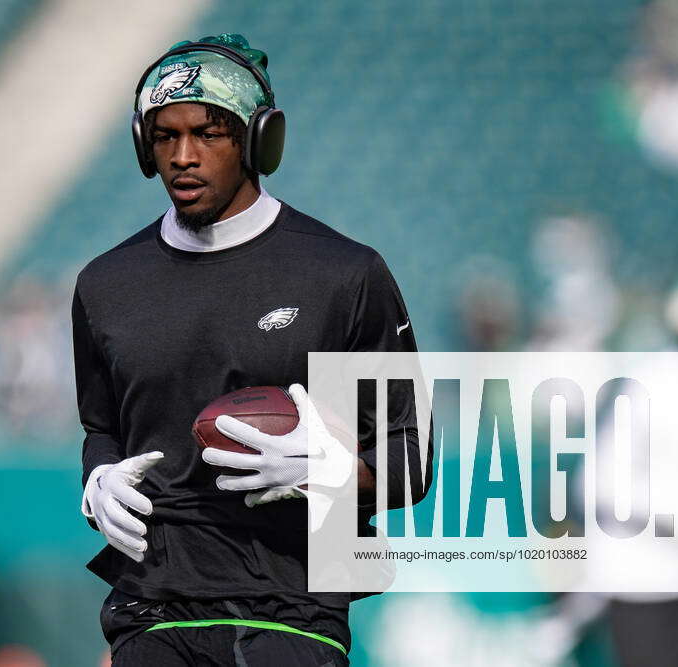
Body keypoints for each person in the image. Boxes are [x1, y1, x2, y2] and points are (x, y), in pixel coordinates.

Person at [72, 34, 428, 665]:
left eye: (210, 133)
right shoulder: (104, 285)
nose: (184, 156)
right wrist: (97, 477)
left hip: (294, 609)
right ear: (142, 145)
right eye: (164, 136)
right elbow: (102, 427)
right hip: (151, 607)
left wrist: (333, 474)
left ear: (259, 140)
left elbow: (412, 457)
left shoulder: (344, 275)